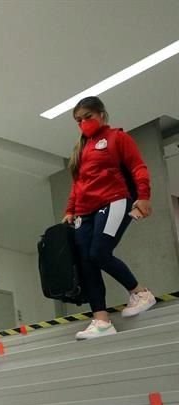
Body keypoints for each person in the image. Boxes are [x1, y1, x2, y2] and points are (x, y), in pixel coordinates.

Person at [63, 96, 156, 339]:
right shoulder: (81, 149)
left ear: (102, 115)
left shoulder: (118, 138)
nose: (83, 123)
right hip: (85, 211)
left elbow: (138, 167)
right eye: (78, 120)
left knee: (99, 253)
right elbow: (78, 184)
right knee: (87, 263)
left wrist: (143, 196)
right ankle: (101, 320)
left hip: (113, 200)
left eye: (88, 117)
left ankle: (141, 292)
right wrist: (70, 210)